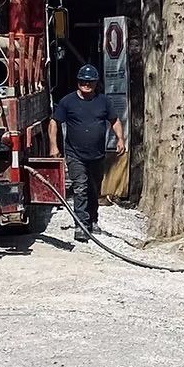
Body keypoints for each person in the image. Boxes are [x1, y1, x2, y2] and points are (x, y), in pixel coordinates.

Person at [49, 64, 123, 241]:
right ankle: (81, 225)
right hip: (75, 154)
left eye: (90, 82)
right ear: (78, 82)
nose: (86, 85)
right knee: (80, 187)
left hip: (97, 154)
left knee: (93, 188)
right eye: (83, 81)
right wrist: (54, 146)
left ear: (96, 83)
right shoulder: (68, 102)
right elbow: (53, 123)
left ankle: (93, 220)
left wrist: (120, 139)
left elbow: (114, 120)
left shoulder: (103, 101)